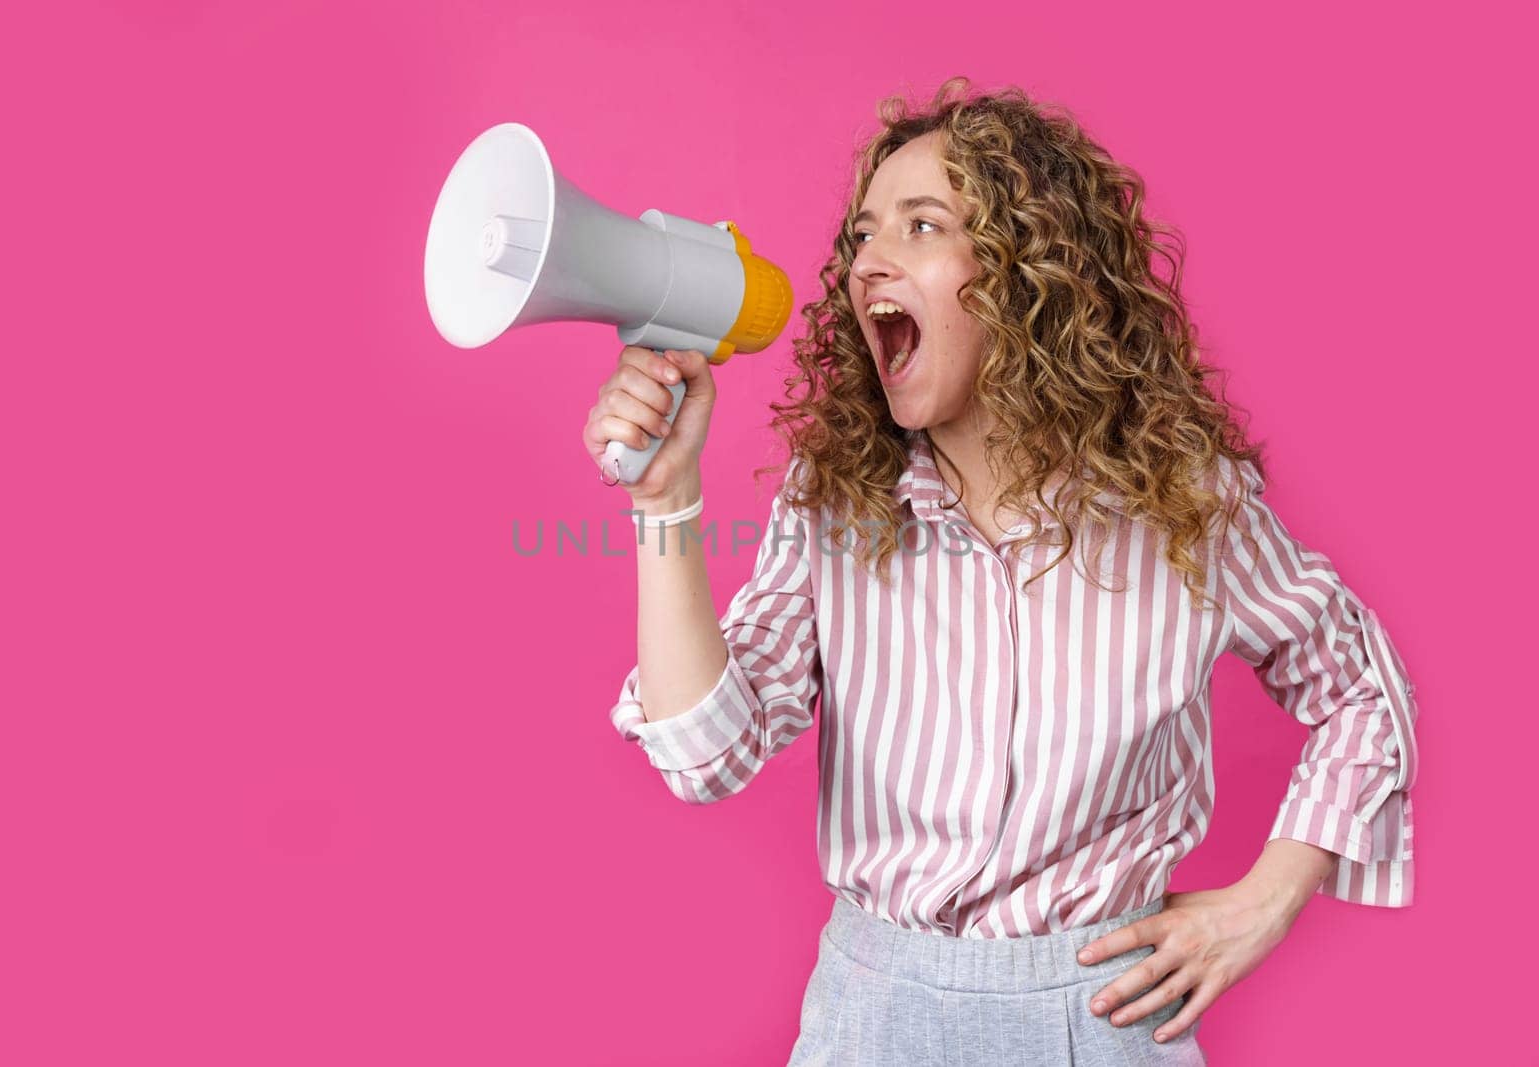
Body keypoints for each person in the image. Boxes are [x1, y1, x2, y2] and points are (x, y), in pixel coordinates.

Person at [581, 78, 1418, 1066]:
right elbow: (701, 754)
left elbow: (1360, 684)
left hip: (1103, 1014)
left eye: (920, 224)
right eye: (860, 237)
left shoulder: (1187, 502)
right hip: (871, 1018)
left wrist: (1267, 898)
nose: (865, 264)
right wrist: (664, 501)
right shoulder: (835, 500)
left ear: (1032, 272)